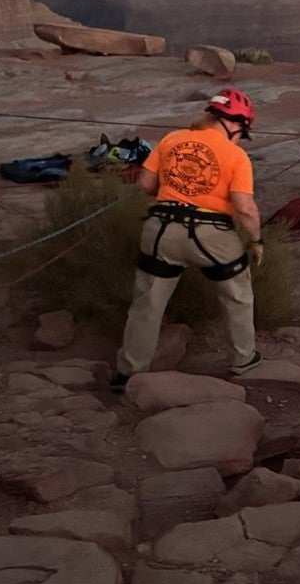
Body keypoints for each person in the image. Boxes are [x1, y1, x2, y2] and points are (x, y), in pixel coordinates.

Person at [112, 89, 264, 387]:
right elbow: (245, 208)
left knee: (148, 301)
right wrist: (256, 240)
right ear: (234, 124)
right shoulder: (236, 156)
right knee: (237, 293)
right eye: (241, 133)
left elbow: (146, 184)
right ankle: (243, 358)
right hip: (211, 236)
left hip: (161, 230)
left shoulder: (172, 139)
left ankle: (129, 371)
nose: (239, 138)